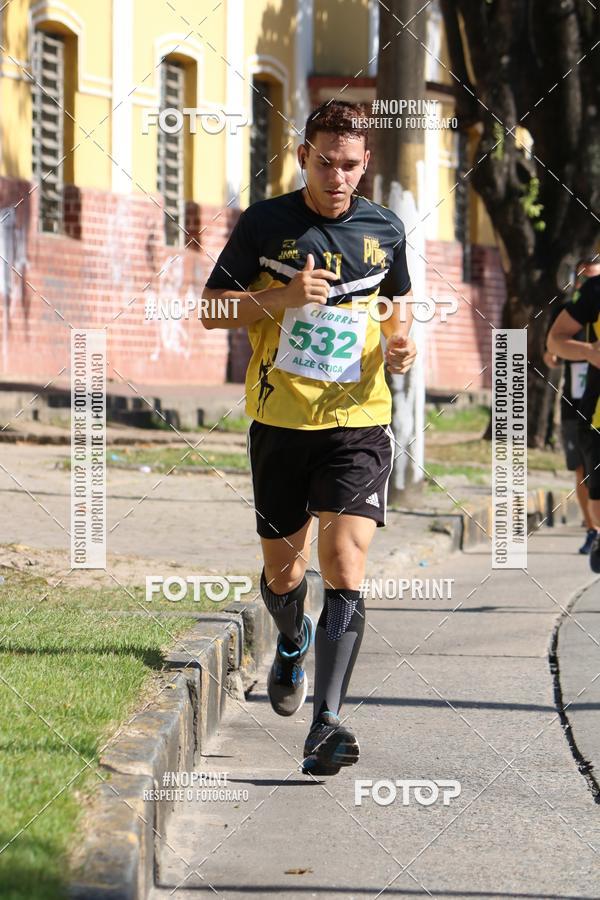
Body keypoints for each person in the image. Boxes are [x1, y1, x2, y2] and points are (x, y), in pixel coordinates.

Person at [201, 100, 417, 776]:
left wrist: (402, 342)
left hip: (359, 422)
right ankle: (289, 638)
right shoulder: (267, 223)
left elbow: (394, 305)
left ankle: (326, 723)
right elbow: (210, 310)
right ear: (303, 156)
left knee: (347, 566)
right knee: (284, 572)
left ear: (365, 164)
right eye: (325, 162)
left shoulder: (385, 227)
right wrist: (281, 298)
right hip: (280, 424)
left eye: (350, 165)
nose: (337, 176)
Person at [544, 259, 600, 554]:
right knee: (581, 467)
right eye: (584, 277)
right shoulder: (571, 308)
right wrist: (587, 352)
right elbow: (551, 350)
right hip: (581, 402)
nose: (588, 281)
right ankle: (593, 529)